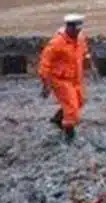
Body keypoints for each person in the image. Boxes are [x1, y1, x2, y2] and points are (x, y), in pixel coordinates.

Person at [39, 14, 94, 142]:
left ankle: (57, 119)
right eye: (75, 29)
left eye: (79, 29)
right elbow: (44, 64)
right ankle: (69, 135)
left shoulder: (80, 38)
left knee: (80, 101)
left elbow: (84, 53)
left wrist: (89, 64)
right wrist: (45, 85)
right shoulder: (56, 43)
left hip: (76, 77)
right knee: (72, 109)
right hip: (60, 79)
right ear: (68, 27)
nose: (78, 32)